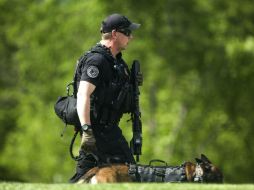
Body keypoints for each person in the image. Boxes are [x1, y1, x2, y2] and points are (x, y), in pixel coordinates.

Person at [69, 13, 141, 183]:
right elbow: (83, 94)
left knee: (84, 178)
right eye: (128, 33)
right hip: (97, 131)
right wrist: (87, 131)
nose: (131, 37)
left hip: (108, 129)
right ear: (115, 34)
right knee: (130, 174)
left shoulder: (116, 62)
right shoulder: (98, 60)